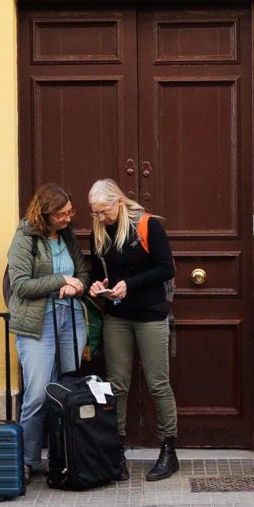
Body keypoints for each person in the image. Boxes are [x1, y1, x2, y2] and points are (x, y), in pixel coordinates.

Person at [86, 178, 179, 481]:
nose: (101, 218)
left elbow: (167, 268)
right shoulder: (98, 233)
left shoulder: (148, 226)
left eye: (104, 211)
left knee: (157, 383)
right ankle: (116, 449)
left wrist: (131, 284)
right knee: (117, 384)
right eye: (95, 213)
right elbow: (100, 272)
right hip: (117, 316)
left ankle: (168, 449)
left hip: (151, 314)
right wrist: (98, 285)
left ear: (119, 202)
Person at [4, 182, 89, 477]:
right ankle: (27, 461)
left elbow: (82, 272)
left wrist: (77, 285)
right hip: (37, 325)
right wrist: (60, 280)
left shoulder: (67, 235)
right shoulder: (25, 238)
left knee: (65, 392)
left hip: (72, 319)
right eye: (61, 214)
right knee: (38, 394)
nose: (68, 218)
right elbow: (21, 285)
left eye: (70, 212)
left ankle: (61, 457)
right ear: (45, 214)